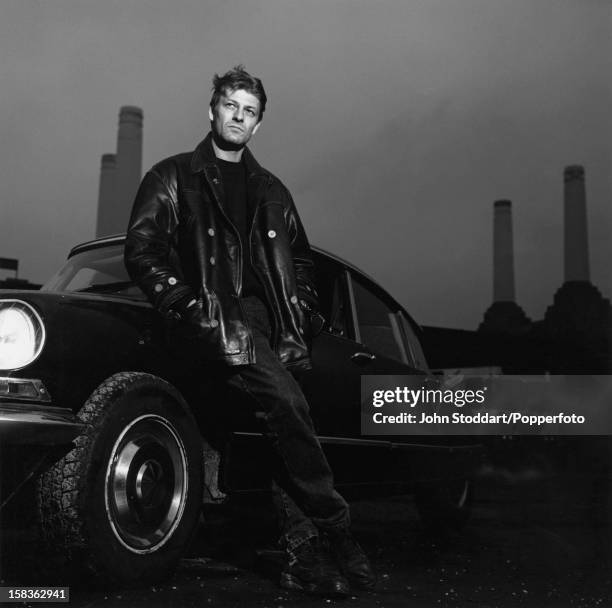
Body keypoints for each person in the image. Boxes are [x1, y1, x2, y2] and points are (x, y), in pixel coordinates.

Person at [124, 65, 375, 597]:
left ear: (259, 125)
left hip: (270, 329)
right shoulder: (172, 177)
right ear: (211, 109)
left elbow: (301, 261)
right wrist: (189, 305)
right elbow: (142, 249)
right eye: (230, 106)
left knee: (275, 426)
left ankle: (307, 556)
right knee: (287, 407)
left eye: (249, 111)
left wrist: (301, 309)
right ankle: (336, 530)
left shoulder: (272, 189)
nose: (238, 117)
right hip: (214, 321)